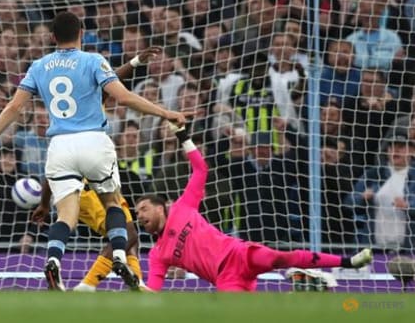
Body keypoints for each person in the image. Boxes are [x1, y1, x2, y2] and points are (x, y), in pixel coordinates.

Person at [0, 12, 192, 291]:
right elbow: (121, 96)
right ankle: (120, 255)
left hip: (60, 144)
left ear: (52, 37)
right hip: (93, 141)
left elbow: (14, 107)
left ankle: (53, 259)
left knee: (65, 217)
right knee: (112, 203)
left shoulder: (39, 66)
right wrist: (165, 112)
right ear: (82, 33)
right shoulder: (93, 60)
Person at [136, 121, 374, 292]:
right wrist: (135, 285)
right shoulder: (157, 254)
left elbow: (201, 169)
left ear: (160, 207)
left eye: (143, 208)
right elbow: (153, 291)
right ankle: (304, 294)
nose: (140, 216)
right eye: (137, 213)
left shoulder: (182, 206)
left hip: (239, 253)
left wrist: (183, 137)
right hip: (225, 277)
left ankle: (348, 261)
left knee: (282, 257)